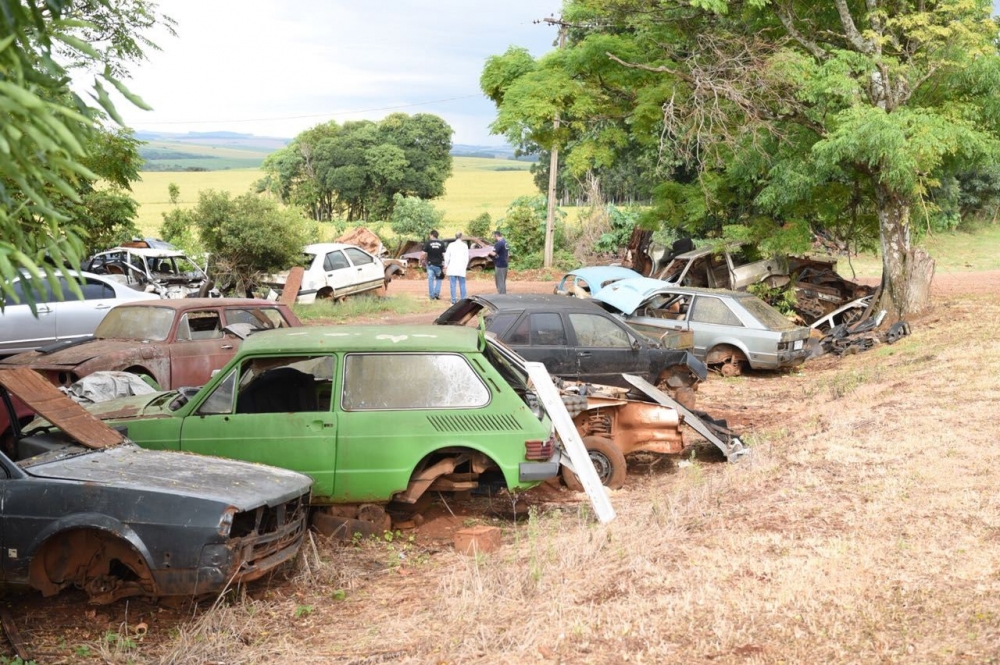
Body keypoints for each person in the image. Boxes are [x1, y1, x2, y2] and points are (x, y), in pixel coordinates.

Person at [443, 231, 469, 304]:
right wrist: (465, 266)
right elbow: (466, 258)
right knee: (462, 284)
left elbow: (447, 256)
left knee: (453, 285)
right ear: (461, 237)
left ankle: (453, 300)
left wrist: (446, 265)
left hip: (452, 267)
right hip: (461, 268)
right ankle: (463, 300)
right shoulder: (464, 245)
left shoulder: (451, 245)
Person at [421, 230, 446, 300]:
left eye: (430, 235)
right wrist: (445, 264)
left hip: (430, 265)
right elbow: (444, 254)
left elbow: (423, 254)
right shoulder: (441, 243)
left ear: (432, 235)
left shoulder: (428, 243)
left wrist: (421, 260)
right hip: (439, 265)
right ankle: (437, 294)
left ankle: (432, 296)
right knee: (439, 279)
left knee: (430, 280)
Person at [490, 229, 509, 294]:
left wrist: (488, 251)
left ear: (496, 236)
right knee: (502, 281)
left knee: (499, 281)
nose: (494, 238)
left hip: (499, 265)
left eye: (494, 236)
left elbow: (494, 253)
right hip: (505, 264)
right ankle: (503, 294)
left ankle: (502, 296)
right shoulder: (505, 242)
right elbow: (508, 254)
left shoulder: (499, 243)